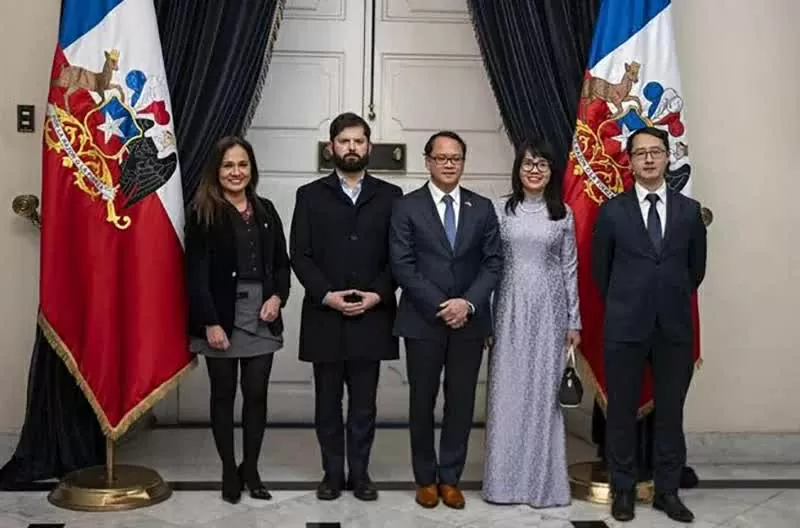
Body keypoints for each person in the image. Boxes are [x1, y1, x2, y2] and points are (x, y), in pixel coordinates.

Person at [592, 126, 707, 523]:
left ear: (667, 157)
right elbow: (600, 272)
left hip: (673, 329)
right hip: (625, 327)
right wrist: (631, 302)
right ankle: (623, 490)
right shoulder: (612, 212)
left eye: (655, 151)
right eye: (640, 152)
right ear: (629, 160)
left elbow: (696, 271)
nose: (648, 159)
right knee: (621, 411)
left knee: (670, 414)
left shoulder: (689, 212)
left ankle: (668, 491)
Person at [290, 112, 402, 502]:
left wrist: (378, 294)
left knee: (364, 405)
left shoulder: (390, 196)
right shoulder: (309, 195)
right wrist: (326, 294)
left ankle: (361, 473)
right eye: (344, 141)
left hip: (373, 315)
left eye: (359, 141)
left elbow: (399, 257)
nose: (351, 147)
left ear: (369, 147)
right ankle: (332, 473)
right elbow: (299, 256)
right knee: (326, 404)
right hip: (325, 315)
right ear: (331, 147)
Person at [389, 130, 502, 510]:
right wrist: (442, 305)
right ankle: (425, 478)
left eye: (456, 158)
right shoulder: (407, 207)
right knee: (422, 401)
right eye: (442, 158)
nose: (449, 164)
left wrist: (466, 304)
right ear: (428, 161)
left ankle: (450, 478)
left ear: (463, 163)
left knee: (462, 400)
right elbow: (402, 265)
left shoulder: (482, 207)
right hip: (423, 321)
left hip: (469, 322)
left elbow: (493, 263)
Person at [185, 136, 291, 504]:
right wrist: (210, 322)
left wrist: (278, 297)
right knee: (223, 395)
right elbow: (195, 274)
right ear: (217, 171)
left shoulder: (266, 210)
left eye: (242, 165)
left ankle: (252, 468)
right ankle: (229, 470)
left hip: (262, 314)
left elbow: (281, 264)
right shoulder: (203, 212)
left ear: (251, 169)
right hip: (221, 315)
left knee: (257, 395)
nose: (236, 172)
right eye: (228, 165)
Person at [482, 139, 581, 508]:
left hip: (550, 311)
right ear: (518, 169)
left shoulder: (563, 214)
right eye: (528, 164)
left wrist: (575, 320)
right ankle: (503, 485)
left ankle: (544, 485)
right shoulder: (499, 210)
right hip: (509, 306)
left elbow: (569, 268)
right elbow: (491, 266)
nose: (534, 170)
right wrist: (488, 319)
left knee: (543, 397)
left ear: (551, 171)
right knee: (508, 394)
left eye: (542, 164)